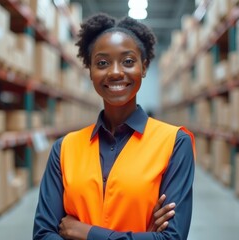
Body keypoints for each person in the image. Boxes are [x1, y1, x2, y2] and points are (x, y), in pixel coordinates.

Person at [33, 13, 195, 240]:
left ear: (144, 66)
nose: (116, 72)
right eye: (102, 63)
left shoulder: (175, 143)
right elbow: (43, 235)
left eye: (128, 61)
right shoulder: (65, 148)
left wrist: (87, 233)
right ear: (89, 70)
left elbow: (172, 238)